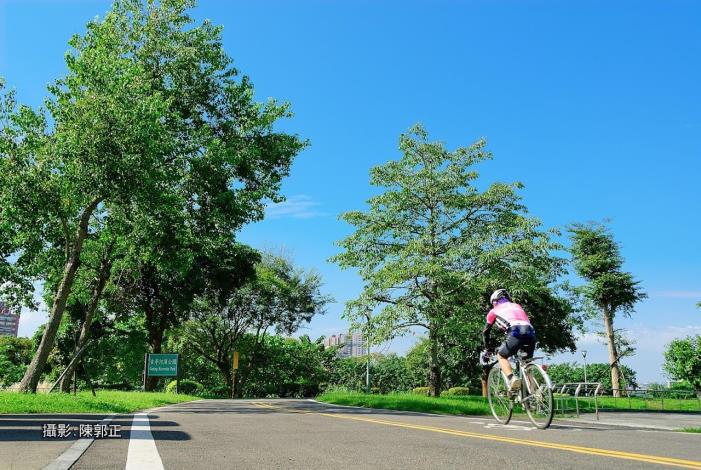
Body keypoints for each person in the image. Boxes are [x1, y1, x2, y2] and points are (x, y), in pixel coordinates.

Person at [482, 289, 536, 392]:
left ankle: (512, 379)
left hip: (515, 331)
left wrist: (487, 348)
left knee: (501, 355)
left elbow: (485, 332)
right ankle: (534, 393)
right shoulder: (517, 306)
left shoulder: (493, 311)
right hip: (531, 332)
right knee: (527, 364)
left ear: (494, 302)